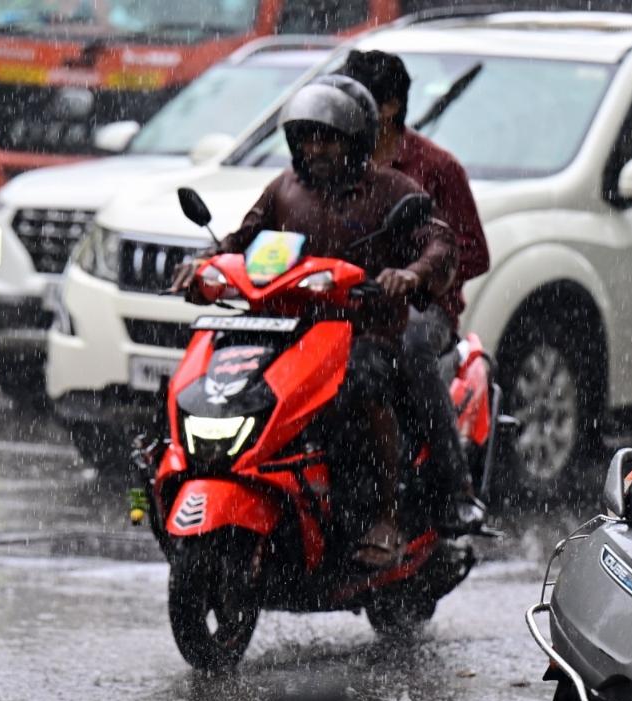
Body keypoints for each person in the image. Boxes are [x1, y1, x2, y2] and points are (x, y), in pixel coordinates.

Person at [170, 75, 457, 567]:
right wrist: (201, 264)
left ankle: (385, 515)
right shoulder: (283, 190)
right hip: (287, 333)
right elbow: (240, 240)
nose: (315, 147)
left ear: (356, 141)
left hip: (363, 333)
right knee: (213, 385)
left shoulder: (392, 190)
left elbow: (440, 242)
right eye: (306, 136)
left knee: (362, 386)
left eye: (327, 137)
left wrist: (408, 275)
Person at [339, 49, 491, 530]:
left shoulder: (436, 167)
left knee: (409, 341)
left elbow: (473, 252)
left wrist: (418, 277)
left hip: (422, 313)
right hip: (347, 304)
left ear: (388, 107)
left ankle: (455, 485)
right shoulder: (335, 161)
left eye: (355, 98)